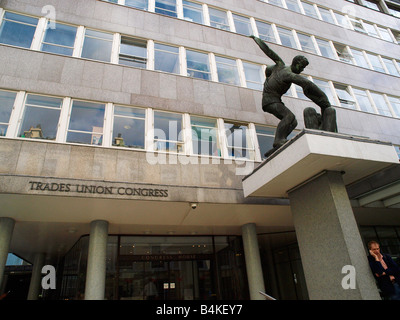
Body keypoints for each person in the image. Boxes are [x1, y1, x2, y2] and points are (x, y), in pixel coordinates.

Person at [250, 35, 337, 157]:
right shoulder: (288, 75)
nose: (301, 70)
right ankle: (278, 140)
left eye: (303, 68)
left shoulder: (280, 65)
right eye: (301, 67)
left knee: (293, 122)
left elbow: (269, 52)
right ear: (295, 63)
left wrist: (258, 41)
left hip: (272, 101)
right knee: (289, 116)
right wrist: (323, 100)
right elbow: (306, 83)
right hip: (271, 101)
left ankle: (281, 139)